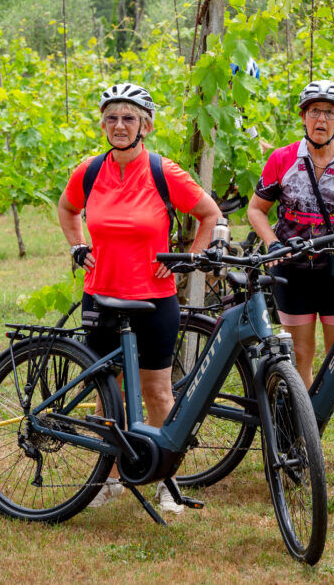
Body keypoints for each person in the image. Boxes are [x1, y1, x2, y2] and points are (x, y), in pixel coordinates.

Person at [58, 82, 221, 512]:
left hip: (154, 300)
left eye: (129, 117)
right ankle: (109, 478)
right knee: (107, 393)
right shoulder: (90, 171)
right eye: (111, 117)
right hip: (102, 298)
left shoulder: (163, 171)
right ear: (102, 124)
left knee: (157, 394)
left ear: (145, 124)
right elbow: (67, 208)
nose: (119, 125)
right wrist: (78, 246)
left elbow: (209, 214)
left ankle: (167, 481)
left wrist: (189, 258)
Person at [246, 79, 334, 472]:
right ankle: (303, 440)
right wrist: (272, 243)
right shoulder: (281, 158)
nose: (321, 119)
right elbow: (257, 209)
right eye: (314, 112)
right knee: (300, 356)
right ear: (304, 117)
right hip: (293, 272)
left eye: (330, 113)